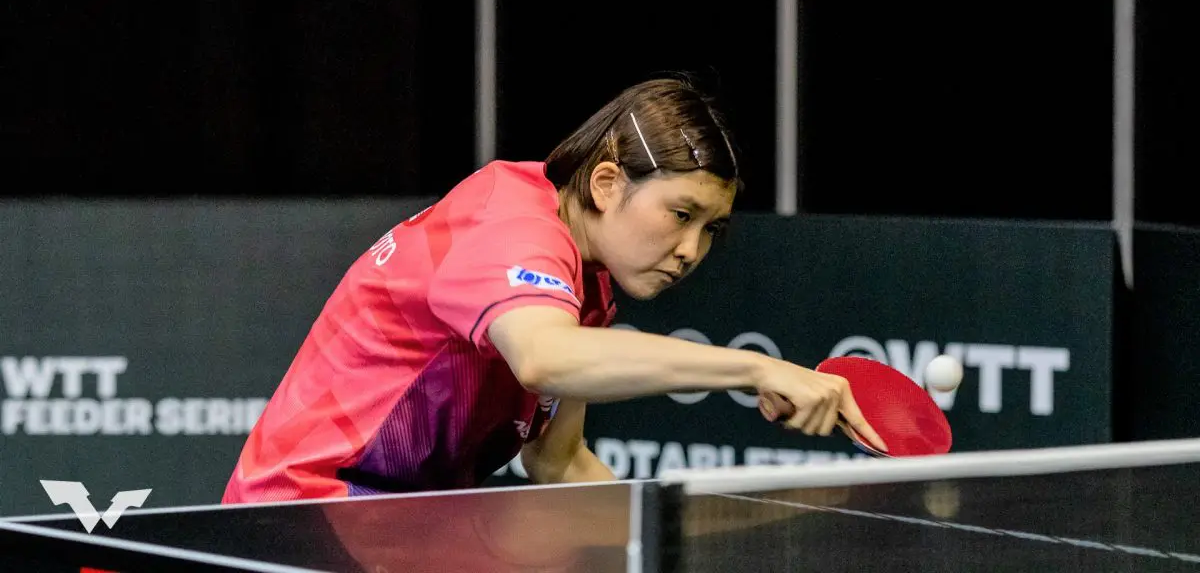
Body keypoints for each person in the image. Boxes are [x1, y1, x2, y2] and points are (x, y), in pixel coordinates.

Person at [222, 76, 883, 503]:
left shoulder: (587, 281)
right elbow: (544, 358)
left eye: (711, 229)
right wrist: (755, 367)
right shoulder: (515, 226)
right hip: (302, 515)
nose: (691, 251)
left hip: (398, 520)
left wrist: (668, 543)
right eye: (680, 215)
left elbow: (557, 462)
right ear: (606, 184)